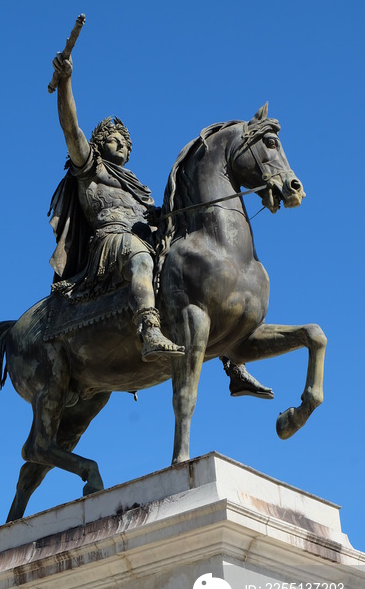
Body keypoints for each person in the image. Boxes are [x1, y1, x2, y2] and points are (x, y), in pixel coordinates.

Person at [48, 55, 274, 397]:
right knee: (141, 259)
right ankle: (149, 328)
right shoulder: (89, 167)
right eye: (113, 139)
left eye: (126, 142)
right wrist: (65, 83)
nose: (122, 144)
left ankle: (233, 358)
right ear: (98, 143)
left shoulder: (136, 186)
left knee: (198, 273)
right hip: (112, 242)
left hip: (142, 235)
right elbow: (70, 127)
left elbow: (150, 217)